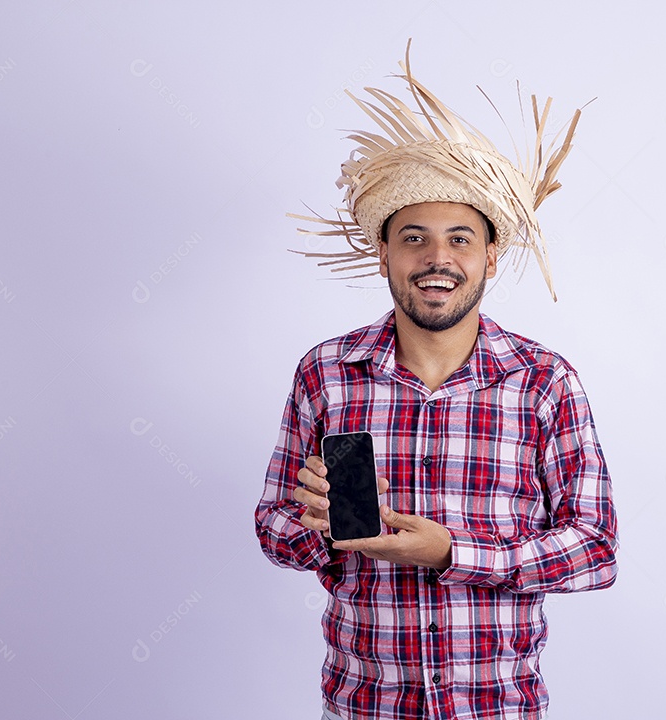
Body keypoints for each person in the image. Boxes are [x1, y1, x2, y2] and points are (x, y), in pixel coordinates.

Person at [255, 44, 619, 720]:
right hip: (365, 705)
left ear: (490, 254)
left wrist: (451, 553)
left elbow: (595, 550)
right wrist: (333, 525)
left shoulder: (543, 382)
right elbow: (275, 530)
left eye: (459, 238)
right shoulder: (329, 375)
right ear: (385, 250)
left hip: (494, 707)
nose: (437, 258)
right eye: (415, 237)